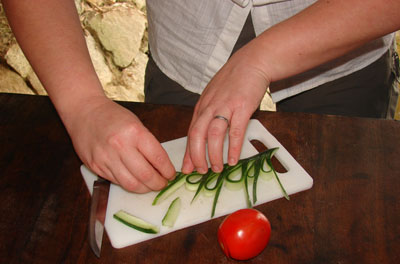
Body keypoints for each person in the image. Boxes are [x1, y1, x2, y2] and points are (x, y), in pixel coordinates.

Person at [3, 0, 400, 193]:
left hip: (346, 29)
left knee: (343, 203)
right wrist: (82, 105)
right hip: (187, 35)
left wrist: (257, 60)